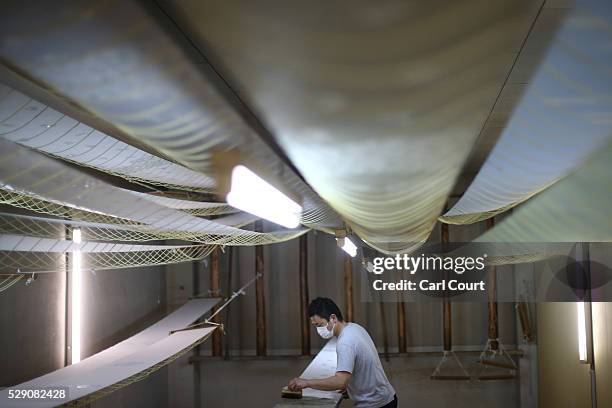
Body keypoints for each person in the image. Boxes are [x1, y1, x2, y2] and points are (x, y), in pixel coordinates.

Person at [288, 297, 397, 408]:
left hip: (377, 404)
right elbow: (361, 365)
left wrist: (306, 383)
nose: (318, 330)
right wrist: (351, 387)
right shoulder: (354, 327)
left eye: (319, 325)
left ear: (333, 318)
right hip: (386, 397)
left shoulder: (345, 342)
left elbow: (340, 382)